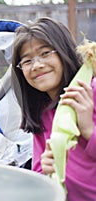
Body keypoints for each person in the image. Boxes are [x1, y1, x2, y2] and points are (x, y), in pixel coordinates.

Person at [11, 17, 96, 201]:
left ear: (64, 51)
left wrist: (89, 129)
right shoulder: (41, 112)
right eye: (27, 61)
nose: (37, 65)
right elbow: (39, 172)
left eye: (45, 53)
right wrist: (46, 170)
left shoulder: (91, 91)